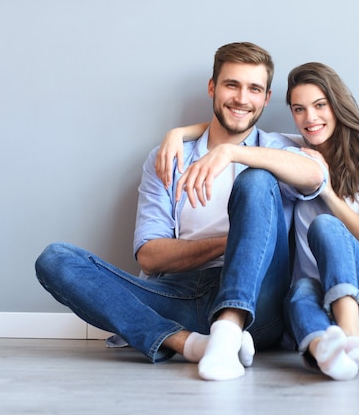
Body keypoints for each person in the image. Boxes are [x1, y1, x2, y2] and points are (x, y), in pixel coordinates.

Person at [35, 42, 325, 381]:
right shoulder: (169, 157)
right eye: (232, 85)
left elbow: (314, 176)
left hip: (258, 305)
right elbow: (150, 257)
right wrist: (238, 238)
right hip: (180, 295)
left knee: (257, 180)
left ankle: (229, 329)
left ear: (265, 97)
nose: (242, 98)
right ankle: (193, 345)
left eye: (254, 89)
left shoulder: (278, 148)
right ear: (212, 87)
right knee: (54, 259)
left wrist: (232, 154)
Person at [157, 62, 359, 381]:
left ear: (338, 104)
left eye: (320, 105)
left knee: (326, 226)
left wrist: (327, 193)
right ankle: (325, 353)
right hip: (319, 308)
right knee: (299, 291)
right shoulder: (292, 151)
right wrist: (177, 133)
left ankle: (353, 338)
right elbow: (233, 129)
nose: (310, 119)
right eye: (299, 109)